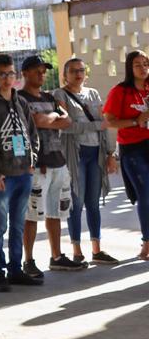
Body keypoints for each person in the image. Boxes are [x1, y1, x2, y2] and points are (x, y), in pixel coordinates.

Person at [0, 54, 41, 291]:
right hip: (2, 176)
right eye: (2, 74)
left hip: (24, 172)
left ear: (16, 75)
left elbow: (32, 134)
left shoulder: (21, 102)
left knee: (18, 224)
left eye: (10, 73)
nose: (7, 78)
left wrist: (32, 160)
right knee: (0, 225)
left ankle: (15, 269)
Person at [18, 55, 86, 275]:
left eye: (43, 70)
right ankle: (28, 260)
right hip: (37, 165)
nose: (41, 74)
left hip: (58, 161)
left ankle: (56, 257)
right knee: (32, 215)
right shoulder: (20, 98)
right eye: (36, 70)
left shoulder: (49, 97)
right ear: (25, 73)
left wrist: (50, 116)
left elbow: (67, 121)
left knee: (56, 212)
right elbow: (36, 121)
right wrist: (52, 117)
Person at [54, 57, 119, 265]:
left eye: (81, 70)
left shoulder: (93, 93)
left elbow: (105, 124)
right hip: (76, 154)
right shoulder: (59, 94)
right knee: (76, 202)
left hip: (96, 153)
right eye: (73, 71)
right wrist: (95, 126)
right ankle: (77, 251)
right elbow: (66, 126)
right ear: (65, 75)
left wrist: (110, 153)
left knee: (93, 203)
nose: (78, 74)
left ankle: (97, 250)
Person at [102, 49, 149, 261]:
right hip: (133, 148)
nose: (143, 68)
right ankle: (147, 243)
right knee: (145, 195)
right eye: (137, 64)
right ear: (130, 68)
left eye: (146, 63)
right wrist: (136, 121)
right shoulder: (120, 91)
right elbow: (109, 121)